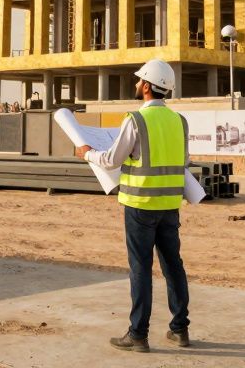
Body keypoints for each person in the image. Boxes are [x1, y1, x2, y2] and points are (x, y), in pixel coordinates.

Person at [75, 59, 191, 353]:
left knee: (141, 269)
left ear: (149, 87)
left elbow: (113, 160)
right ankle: (180, 330)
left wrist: (87, 153)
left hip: (140, 205)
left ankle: (138, 335)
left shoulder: (135, 119)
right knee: (173, 266)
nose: (137, 84)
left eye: (140, 80)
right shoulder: (179, 121)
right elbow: (184, 162)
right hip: (169, 205)